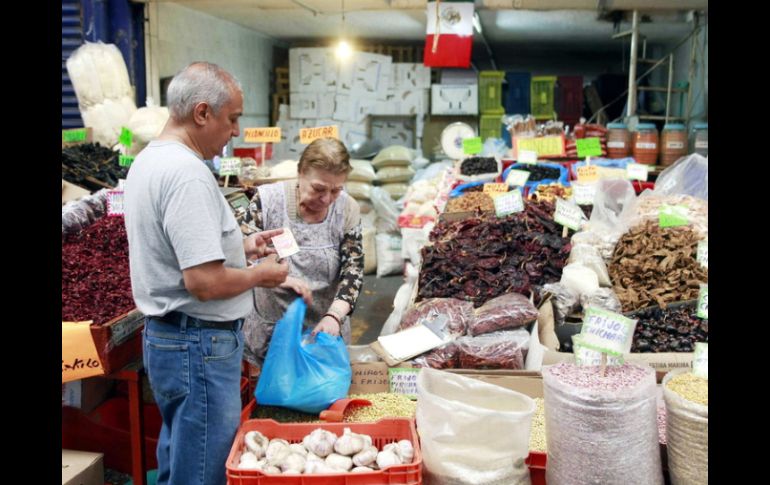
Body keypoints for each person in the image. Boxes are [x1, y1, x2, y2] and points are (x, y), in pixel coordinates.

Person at [123, 61, 289, 485]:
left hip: (169, 338)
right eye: (232, 118)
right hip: (197, 343)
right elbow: (204, 282)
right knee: (204, 470)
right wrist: (260, 275)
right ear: (202, 113)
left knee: (180, 458)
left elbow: (177, 251)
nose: (236, 131)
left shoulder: (148, 161)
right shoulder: (187, 174)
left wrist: (240, 248)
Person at [242, 137, 364, 373]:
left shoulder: (348, 208)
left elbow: (354, 269)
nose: (327, 199)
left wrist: (334, 316)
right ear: (300, 174)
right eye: (318, 189)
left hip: (325, 333)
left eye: (336, 190)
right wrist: (274, 277)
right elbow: (237, 255)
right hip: (271, 332)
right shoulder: (267, 201)